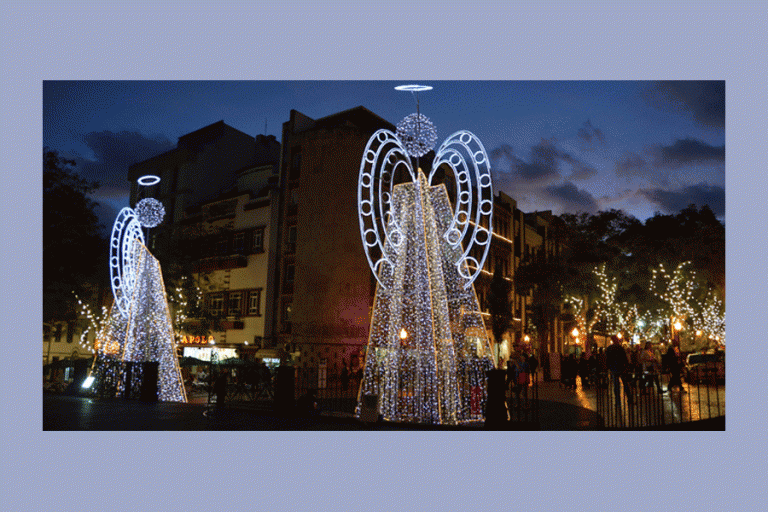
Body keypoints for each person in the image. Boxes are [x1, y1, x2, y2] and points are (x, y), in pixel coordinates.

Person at [605, 335, 629, 410]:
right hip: (620, 368)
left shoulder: (609, 348)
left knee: (617, 386)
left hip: (614, 368)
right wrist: (626, 366)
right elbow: (624, 358)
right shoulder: (620, 348)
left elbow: (607, 359)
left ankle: (618, 402)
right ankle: (629, 397)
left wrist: (608, 367)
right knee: (624, 384)